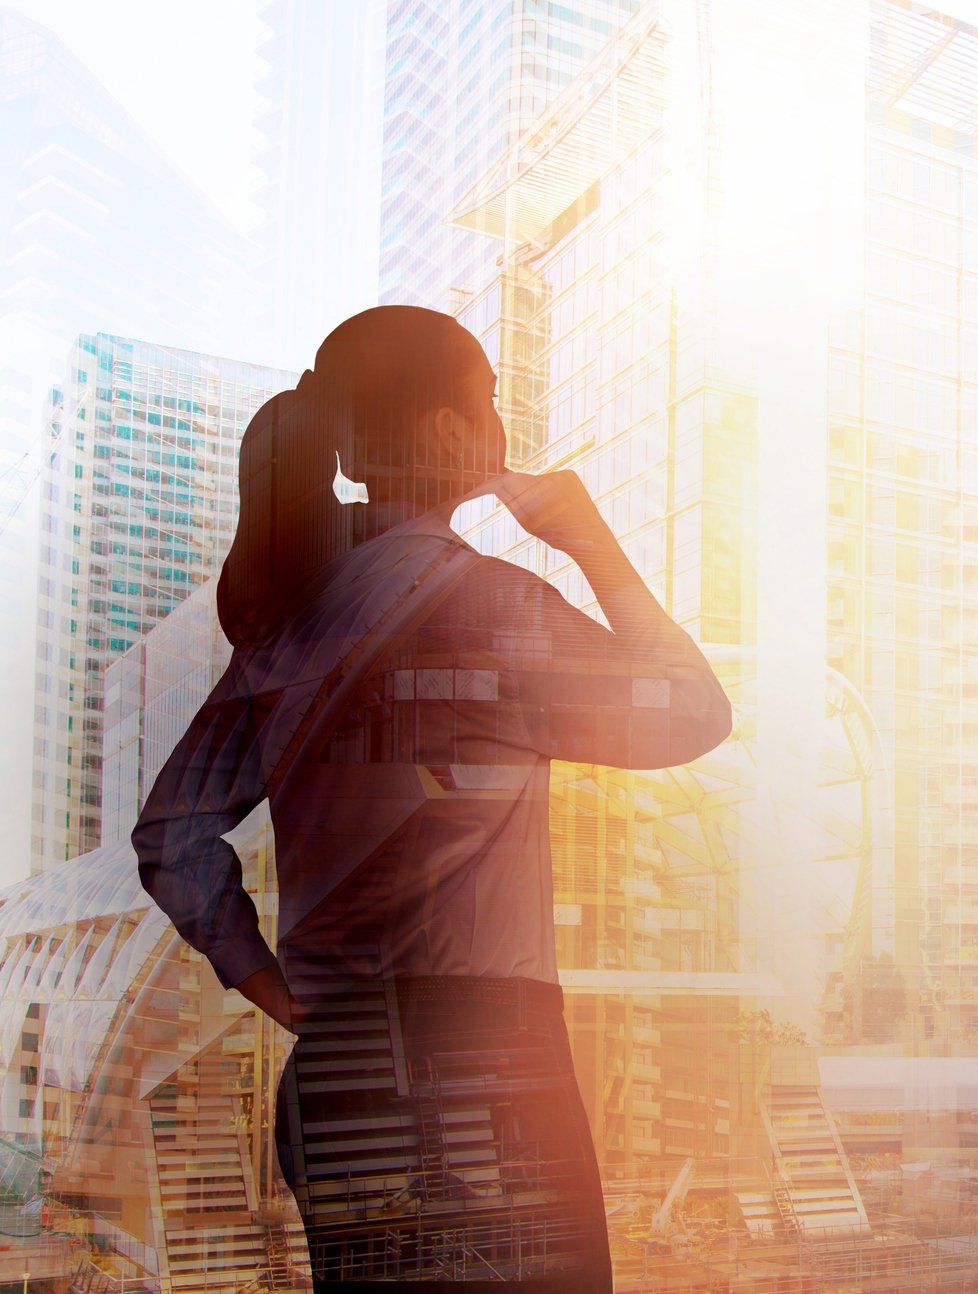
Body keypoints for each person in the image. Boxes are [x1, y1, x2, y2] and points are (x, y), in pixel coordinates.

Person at [134, 306, 732, 1291]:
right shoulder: (493, 608)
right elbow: (693, 714)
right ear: (450, 434)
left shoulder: (288, 630)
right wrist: (586, 537)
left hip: (335, 1080)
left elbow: (171, 837)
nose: (499, 425)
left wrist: (274, 989)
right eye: (490, 401)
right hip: (487, 1070)